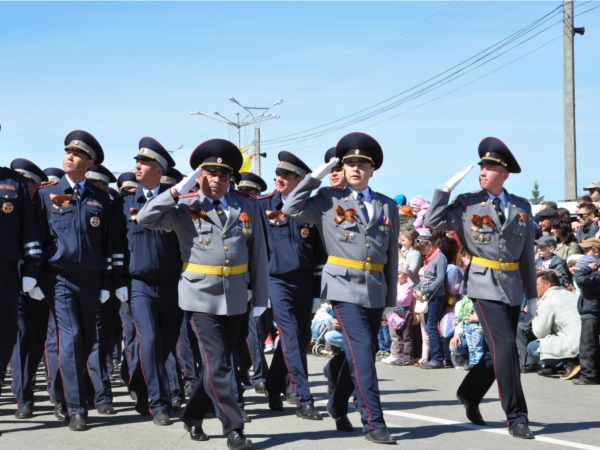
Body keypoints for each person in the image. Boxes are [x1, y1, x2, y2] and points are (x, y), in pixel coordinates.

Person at [137, 138, 268, 448]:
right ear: (200, 176)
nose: (218, 181)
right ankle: (233, 428)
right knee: (219, 361)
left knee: (216, 363)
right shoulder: (185, 205)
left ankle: (192, 415)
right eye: (211, 174)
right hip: (198, 294)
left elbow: (259, 253)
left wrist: (260, 297)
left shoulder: (247, 205)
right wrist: (176, 190)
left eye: (224, 176)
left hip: (236, 294)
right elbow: (145, 218)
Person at [282, 131, 399, 444]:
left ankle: (336, 403)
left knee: (365, 350)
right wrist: (317, 176)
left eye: (363, 163)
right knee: (363, 351)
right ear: (342, 168)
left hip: (374, 286)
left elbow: (392, 256)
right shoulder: (327, 200)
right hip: (342, 285)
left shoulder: (387, 206)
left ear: (373, 169)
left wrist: (390, 299)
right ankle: (373, 421)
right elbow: (291, 208)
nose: (356, 168)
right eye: (350, 163)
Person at [425, 137, 537, 439]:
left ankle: (470, 393)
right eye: (482, 166)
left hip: (513, 286)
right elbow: (433, 220)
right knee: (506, 348)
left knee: (495, 352)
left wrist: (533, 295)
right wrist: (444, 191)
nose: (483, 171)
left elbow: (527, 254)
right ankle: (517, 416)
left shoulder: (521, 207)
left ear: (505, 173)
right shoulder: (467, 203)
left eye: (490, 167)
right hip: (483, 284)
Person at [36, 130, 111, 431]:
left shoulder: (101, 198)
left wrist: (108, 281)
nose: (70, 156)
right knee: (72, 338)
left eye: (77, 154)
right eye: (68, 151)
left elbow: (108, 244)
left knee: (89, 340)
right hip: (60, 279)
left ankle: (59, 390)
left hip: (91, 280)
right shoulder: (46, 195)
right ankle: (77, 408)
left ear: (89, 162)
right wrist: (35, 276)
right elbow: (38, 239)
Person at [112, 137, 182, 425]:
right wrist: (117, 283)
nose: (137, 166)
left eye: (144, 163)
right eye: (137, 162)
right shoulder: (124, 202)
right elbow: (115, 245)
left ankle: (139, 384)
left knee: (167, 343)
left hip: (173, 284)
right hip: (138, 284)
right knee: (150, 340)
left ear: (159, 170)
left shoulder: (176, 201)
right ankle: (160, 403)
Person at [260, 151, 324, 420]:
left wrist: (317, 293)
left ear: (301, 181)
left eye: (286, 175)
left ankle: (274, 387)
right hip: (277, 281)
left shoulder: (311, 208)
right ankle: (303, 399)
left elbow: (320, 253)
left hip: (306, 281)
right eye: (277, 174)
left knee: (299, 339)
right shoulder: (263, 205)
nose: (279, 178)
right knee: (288, 338)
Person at [7, 159, 47, 419]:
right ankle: (24, 397)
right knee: (20, 337)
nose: (25, 187)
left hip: (42, 283)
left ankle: (27, 381)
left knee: (37, 339)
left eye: (29, 183)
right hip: (15, 280)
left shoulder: (45, 206)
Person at [528, 270, 581, 379]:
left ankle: (572, 362)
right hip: (590, 342)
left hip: (574, 346)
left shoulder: (548, 299)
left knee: (532, 347)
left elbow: (540, 332)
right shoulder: (570, 294)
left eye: (536, 285)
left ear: (547, 285)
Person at [413, 230, 448, 369]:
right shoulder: (430, 258)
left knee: (431, 327)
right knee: (429, 327)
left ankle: (437, 358)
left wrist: (424, 291)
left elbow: (439, 280)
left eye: (423, 249)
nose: (422, 252)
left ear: (430, 244)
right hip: (427, 296)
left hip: (436, 297)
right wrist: (417, 287)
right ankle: (435, 357)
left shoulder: (440, 258)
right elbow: (427, 277)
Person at [572, 238, 600, 385]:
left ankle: (588, 376)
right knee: (590, 345)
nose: (584, 253)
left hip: (593, 311)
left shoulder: (596, 270)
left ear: (596, 252)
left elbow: (582, 281)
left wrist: (586, 269)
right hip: (591, 310)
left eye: (587, 250)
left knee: (587, 346)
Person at [382, 262, 414, 366]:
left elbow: (402, 299)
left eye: (399, 274)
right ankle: (399, 355)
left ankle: (407, 356)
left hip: (404, 312)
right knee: (398, 335)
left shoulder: (408, 286)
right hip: (395, 312)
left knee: (406, 336)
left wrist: (392, 297)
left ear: (406, 275)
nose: (397, 276)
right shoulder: (396, 286)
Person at [453, 296, 484, 370]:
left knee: (477, 345)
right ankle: (472, 362)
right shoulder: (465, 300)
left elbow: (482, 313)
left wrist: (481, 326)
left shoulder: (477, 299)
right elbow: (461, 311)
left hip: (476, 327)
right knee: (471, 346)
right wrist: (457, 319)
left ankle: (479, 362)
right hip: (467, 326)